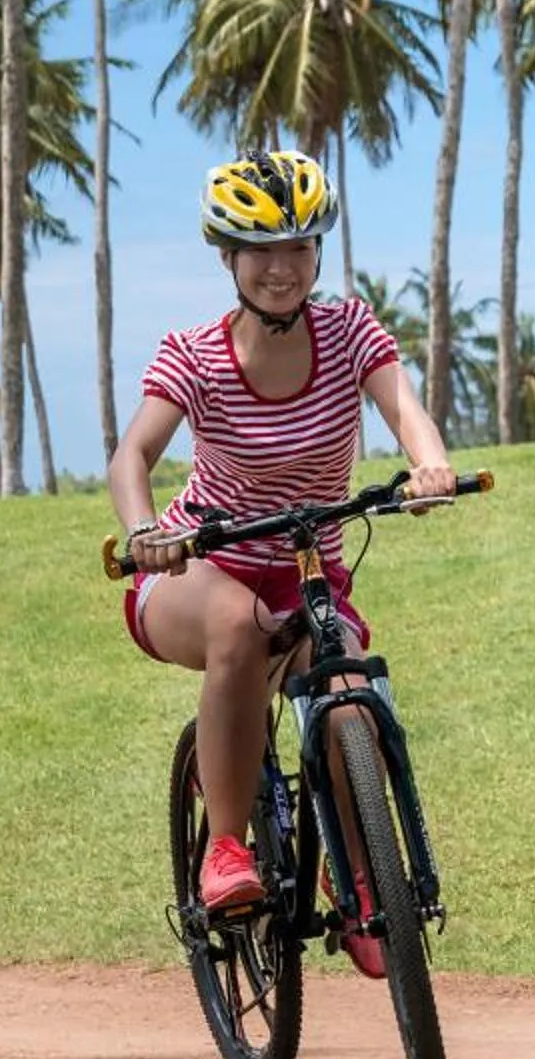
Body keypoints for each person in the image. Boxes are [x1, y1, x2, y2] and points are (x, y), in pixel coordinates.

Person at [107, 149, 457, 972]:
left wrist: (429, 464)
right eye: (260, 249)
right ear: (228, 257)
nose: (281, 267)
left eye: (299, 247)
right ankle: (225, 848)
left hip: (309, 573)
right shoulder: (192, 353)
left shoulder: (349, 331)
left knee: (348, 687)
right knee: (238, 623)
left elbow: (405, 408)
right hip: (194, 566)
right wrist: (141, 528)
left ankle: (365, 876)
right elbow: (133, 454)